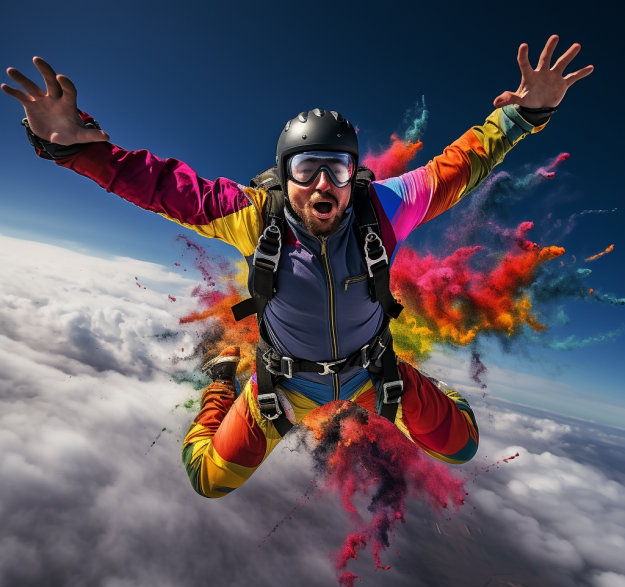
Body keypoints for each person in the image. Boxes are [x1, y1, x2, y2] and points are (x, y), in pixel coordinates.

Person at [3, 36, 593, 498]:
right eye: (306, 169)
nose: (322, 186)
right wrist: (75, 149)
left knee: (463, 447)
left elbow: (455, 168)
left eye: (337, 170)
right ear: (284, 176)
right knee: (208, 480)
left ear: (354, 176)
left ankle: (419, 387)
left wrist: (522, 117)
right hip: (281, 387)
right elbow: (161, 186)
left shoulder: (381, 208)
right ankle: (219, 382)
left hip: (373, 377)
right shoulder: (252, 214)